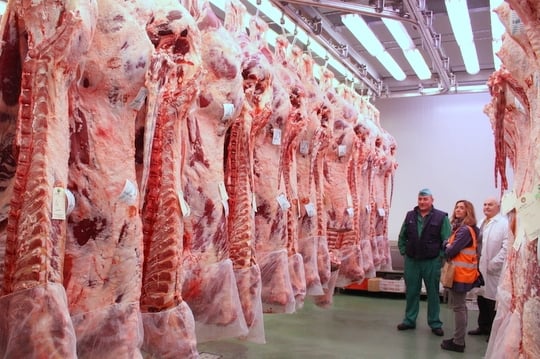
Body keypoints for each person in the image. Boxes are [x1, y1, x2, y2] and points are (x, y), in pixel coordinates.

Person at [397, 188, 451, 337]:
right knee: (412, 292)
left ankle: (435, 323)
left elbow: (446, 240)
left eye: (425, 199)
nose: (422, 202)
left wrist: (440, 256)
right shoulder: (410, 216)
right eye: (420, 199)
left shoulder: (441, 217)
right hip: (412, 261)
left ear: (432, 200)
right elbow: (402, 236)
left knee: (433, 293)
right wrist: (404, 252)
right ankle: (409, 320)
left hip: (431, 262)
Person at [440, 200, 481, 353]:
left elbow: (450, 250)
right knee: (460, 307)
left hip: (459, 274)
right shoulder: (463, 229)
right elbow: (449, 245)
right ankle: (458, 338)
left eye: (462, 208)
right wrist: (447, 244)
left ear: (468, 211)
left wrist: (446, 245)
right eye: (456, 207)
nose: (458, 210)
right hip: (461, 273)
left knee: (458, 308)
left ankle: (458, 342)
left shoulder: (464, 230)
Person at [468, 197, 509, 337]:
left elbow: (506, 247)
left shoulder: (504, 223)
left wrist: (494, 264)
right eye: (484, 204)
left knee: (493, 301)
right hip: (480, 267)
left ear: (498, 206)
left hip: (494, 269)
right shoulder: (482, 222)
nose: (486, 207)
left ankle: (493, 333)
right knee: (481, 298)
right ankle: (483, 326)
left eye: (490, 204)